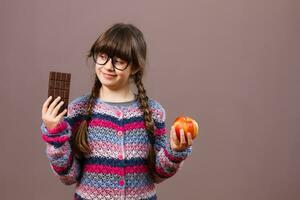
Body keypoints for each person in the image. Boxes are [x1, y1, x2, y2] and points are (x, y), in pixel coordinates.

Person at [40, 22, 193, 200]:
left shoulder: (153, 112)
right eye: (102, 56)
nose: (108, 67)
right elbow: (68, 176)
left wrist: (174, 151)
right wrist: (54, 134)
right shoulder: (77, 110)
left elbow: (157, 174)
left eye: (119, 61)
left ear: (135, 67)